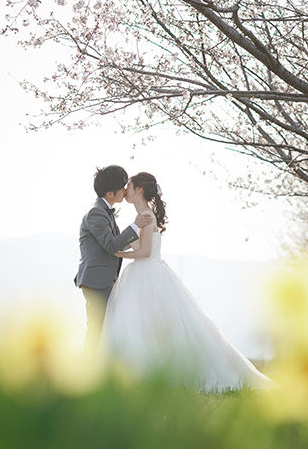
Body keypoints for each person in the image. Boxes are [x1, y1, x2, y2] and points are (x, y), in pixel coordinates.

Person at [99, 172, 274, 391]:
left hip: (147, 273)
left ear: (139, 190)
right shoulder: (142, 215)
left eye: (130, 185)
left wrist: (118, 253)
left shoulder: (146, 216)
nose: (126, 189)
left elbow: (144, 251)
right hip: (144, 273)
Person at [74, 165, 152, 359]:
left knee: (104, 327)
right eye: (122, 186)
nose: (125, 190)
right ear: (110, 193)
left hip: (104, 279)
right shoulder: (96, 213)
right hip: (95, 280)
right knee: (97, 327)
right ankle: (88, 370)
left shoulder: (105, 211)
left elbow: (115, 246)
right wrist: (135, 226)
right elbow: (111, 245)